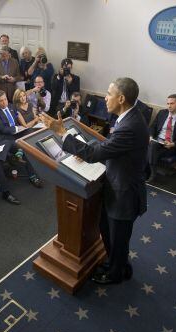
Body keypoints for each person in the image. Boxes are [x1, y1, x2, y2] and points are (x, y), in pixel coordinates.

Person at [42, 77, 148, 285]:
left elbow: (95, 153)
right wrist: (97, 151)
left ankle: (116, 274)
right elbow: (111, 146)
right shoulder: (130, 116)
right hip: (120, 186)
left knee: (118, 239)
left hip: (124, 194)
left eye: (109, 93)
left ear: (121, 98)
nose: (105, 98)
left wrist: (62, 133)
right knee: (109, 232)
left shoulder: (129, 125)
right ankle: (117, 265)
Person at [0, 90, 43, 188]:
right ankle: (33, 176)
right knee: (24, 148)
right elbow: (3, 129)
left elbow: (17, 117)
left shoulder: (10, 106)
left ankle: (29, 157)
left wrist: (23, 126)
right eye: (1, 101)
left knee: (33, 134)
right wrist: (17, 128)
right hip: (6, 137)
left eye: (5, 99)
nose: (4, 102)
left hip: (18, 133)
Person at [147, 94, 176, 182]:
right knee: (151, 144)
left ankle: (150, 172)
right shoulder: (162, 113)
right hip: (158, 141)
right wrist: (151, 136)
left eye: (172, 103)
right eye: (167, 103)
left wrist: (173, 144)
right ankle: (151, 172)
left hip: (172, 146)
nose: (169, 106)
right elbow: (152, 127)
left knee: (150, 148)